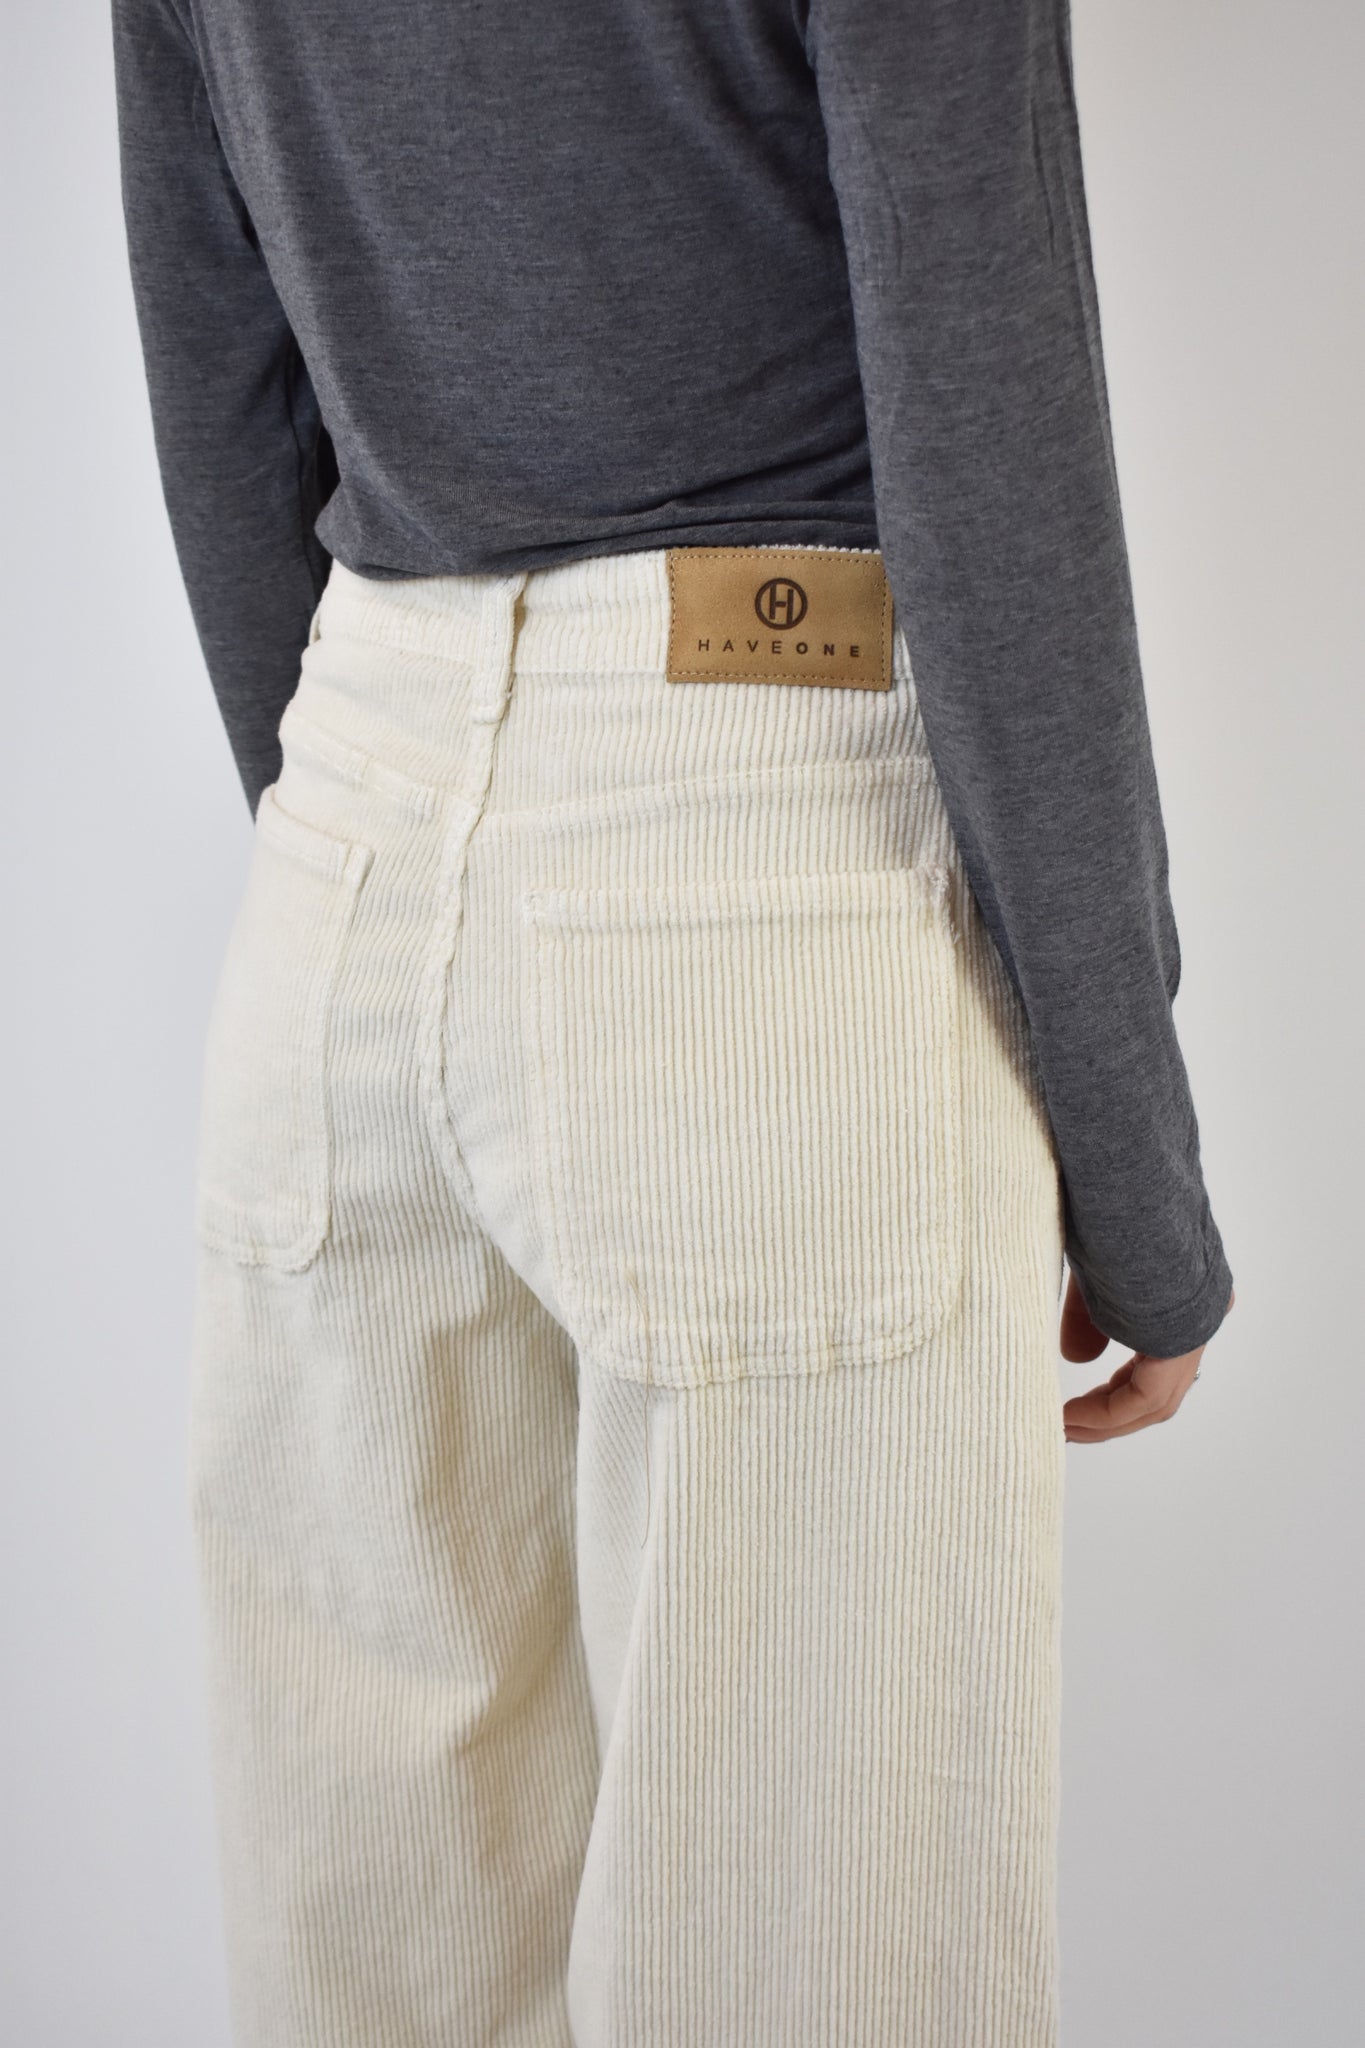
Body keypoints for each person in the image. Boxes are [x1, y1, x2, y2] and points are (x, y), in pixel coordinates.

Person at [111, 3, 1234, 2043]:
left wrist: (378, 827)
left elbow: (221, 374)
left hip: (344, 849)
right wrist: (1132, 1157)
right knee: (814, 1966)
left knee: (383, 1962)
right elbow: (981, 397)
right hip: (769, 825)